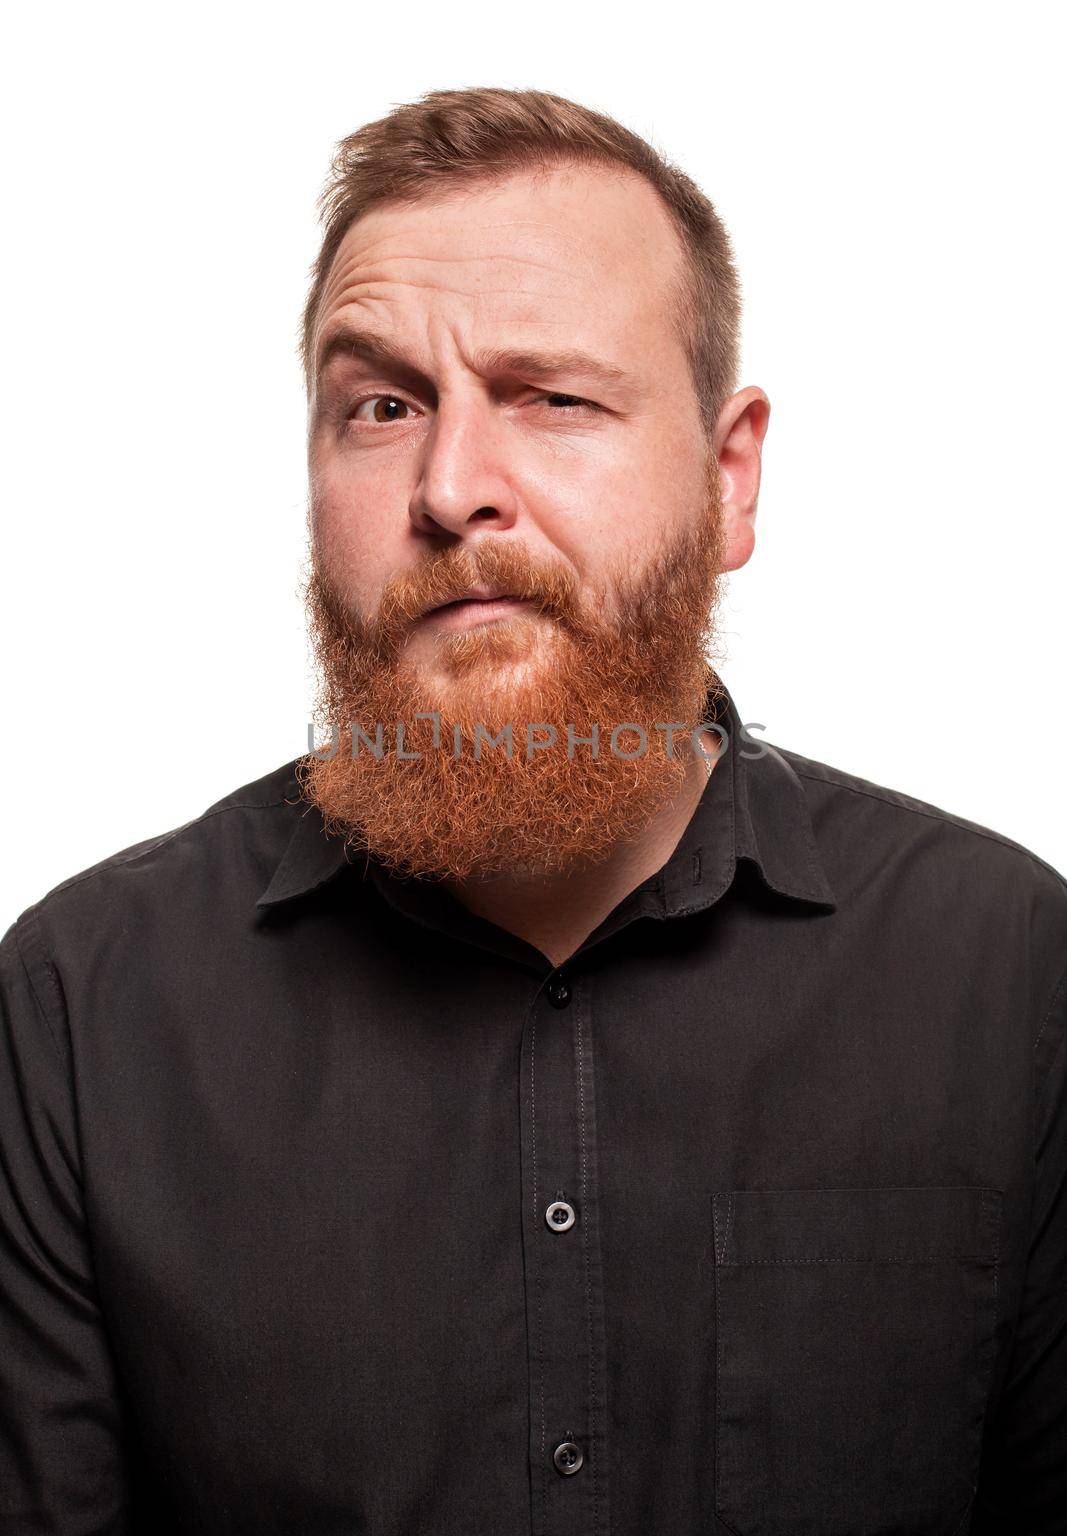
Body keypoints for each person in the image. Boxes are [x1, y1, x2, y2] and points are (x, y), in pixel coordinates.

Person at [1, 86, 1063, 1536]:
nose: (449, 490)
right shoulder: (81, 1005)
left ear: (730, 478)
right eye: (379, 405)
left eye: (553, 399)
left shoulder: (1009, 973)